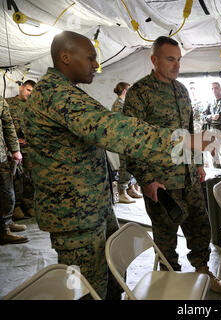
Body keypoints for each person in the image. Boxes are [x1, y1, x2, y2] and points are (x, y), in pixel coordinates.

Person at [23, 31, 209, 299]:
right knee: (89, 289)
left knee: (110, 281)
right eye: (90, 58)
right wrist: (180, 142)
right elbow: (112, 129)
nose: (95, 65)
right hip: (74, 215)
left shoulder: (67, 92)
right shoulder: (56, 95)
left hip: (91, 206)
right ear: (65, 57)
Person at [123, 36, 221, 293]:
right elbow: (130, 140)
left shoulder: (181, 90)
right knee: (165, 238)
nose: (176, 65)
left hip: (188, 178)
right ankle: (168, 283)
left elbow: (190, 131)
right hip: (161, 183)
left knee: (200, 227)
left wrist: (198, 164)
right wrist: (146, 180)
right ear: (154, 59)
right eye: (170, 59)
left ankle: (203, 273)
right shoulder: (140, 93)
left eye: (179, 60)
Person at [6, 80, 36, 219]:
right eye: (28, 90)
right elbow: (5, 125)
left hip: (29, 148)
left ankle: (29, 205)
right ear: (21, 88)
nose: (30, 94)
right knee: (15, 179)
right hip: (12, 148)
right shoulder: (8, 103)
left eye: (32, 92)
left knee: (30, 177)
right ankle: (16, 207)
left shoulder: (34, 106)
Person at [0, 98, 28, 245]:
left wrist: (15, 150)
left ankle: (6, 224)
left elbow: (8, 126)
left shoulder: (1, 101)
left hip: (2, 157)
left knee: (7, 193)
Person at [111, 82, 143, 204]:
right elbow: (122, 124)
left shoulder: (124, 104)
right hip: (123, 140)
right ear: (124, 91)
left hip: (130, 139)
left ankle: (131, 188)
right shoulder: (118, 105)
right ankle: (122, 191)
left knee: (132, 164)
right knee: (125, 166)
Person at [202, 82, 221, 167]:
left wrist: (209, 119)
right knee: (214, 159)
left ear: (220, 89)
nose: (214, 90)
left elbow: (220, 119)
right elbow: (202, 116)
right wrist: (212, 116)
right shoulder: (211, 103)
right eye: (212, 88)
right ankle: (217, 179)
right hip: (213, 136)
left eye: (216, 88)